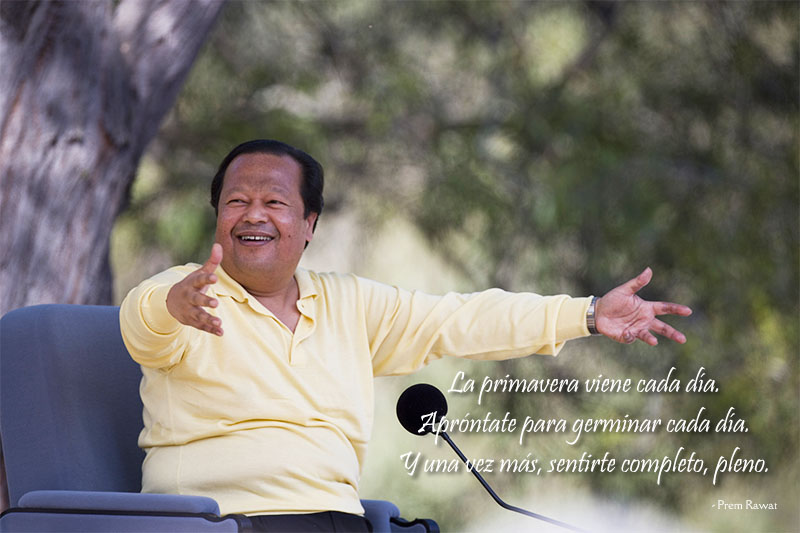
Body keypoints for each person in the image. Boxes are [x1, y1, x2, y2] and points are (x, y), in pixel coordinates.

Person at [120, 139, 691, 532]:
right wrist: (175, 305)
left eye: (274, 202)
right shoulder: (185, 290)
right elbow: (144, 326)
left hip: (337, 520)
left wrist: (587, 313)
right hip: (215, 521)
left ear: (310, 224)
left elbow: (460, 319)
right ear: (218, 216)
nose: (253, 215)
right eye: (236, 202)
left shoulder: (347, 301)